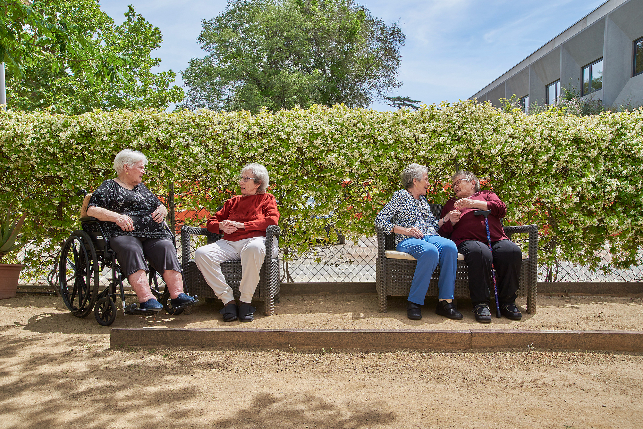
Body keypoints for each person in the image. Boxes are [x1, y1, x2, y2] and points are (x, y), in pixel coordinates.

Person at [86, 149, 197, 312]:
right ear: (126, 168)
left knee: (166, 246)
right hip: (124, 234)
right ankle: (147, 299)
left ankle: (178, 295)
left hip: (153, 235)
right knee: (131, 248)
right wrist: (118, 217)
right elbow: (92, 210)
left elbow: (157, 204)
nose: (144, 171)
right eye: (141, 167)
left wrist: (162, 209)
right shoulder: (109, 186)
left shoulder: (141, 188)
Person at [375, 163, 462, 321]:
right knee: (429, 251)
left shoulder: (423, 201)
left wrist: (447, 218)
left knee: (450, 247)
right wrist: (404, 230)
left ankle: (445, 303)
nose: (428, 183)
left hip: (429, 236)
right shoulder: (400, 197)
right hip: (407, 239)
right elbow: (380, 220)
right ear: (415, 181)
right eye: (426, 179)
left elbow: (433, 225)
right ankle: (414, 302)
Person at [194, 163, 279, 322]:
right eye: (241, 178)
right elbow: (211, 222)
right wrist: (221, 226)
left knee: (253, 248)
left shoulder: (268, 199)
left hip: (258, 241)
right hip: (230, 243)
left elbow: (272, 221)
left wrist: (244, 225)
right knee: (201, 254)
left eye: (245, 179)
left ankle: (246, 301)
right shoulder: (233, 201)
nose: (241, 182)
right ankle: (228, 300)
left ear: (257, 183)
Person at [438, 170, 523, 323]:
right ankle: (481, 304)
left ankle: (508, 302)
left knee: (511, 251)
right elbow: (443, 233)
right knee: (480, 252)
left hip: (496, 239)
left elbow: (501, 209)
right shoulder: (451, 204)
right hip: (467, 241)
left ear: (472, 183)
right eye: (453, 185)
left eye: (459, 182)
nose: (455, 187)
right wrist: (450, 221)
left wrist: (473, 203)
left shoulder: (487, 195)